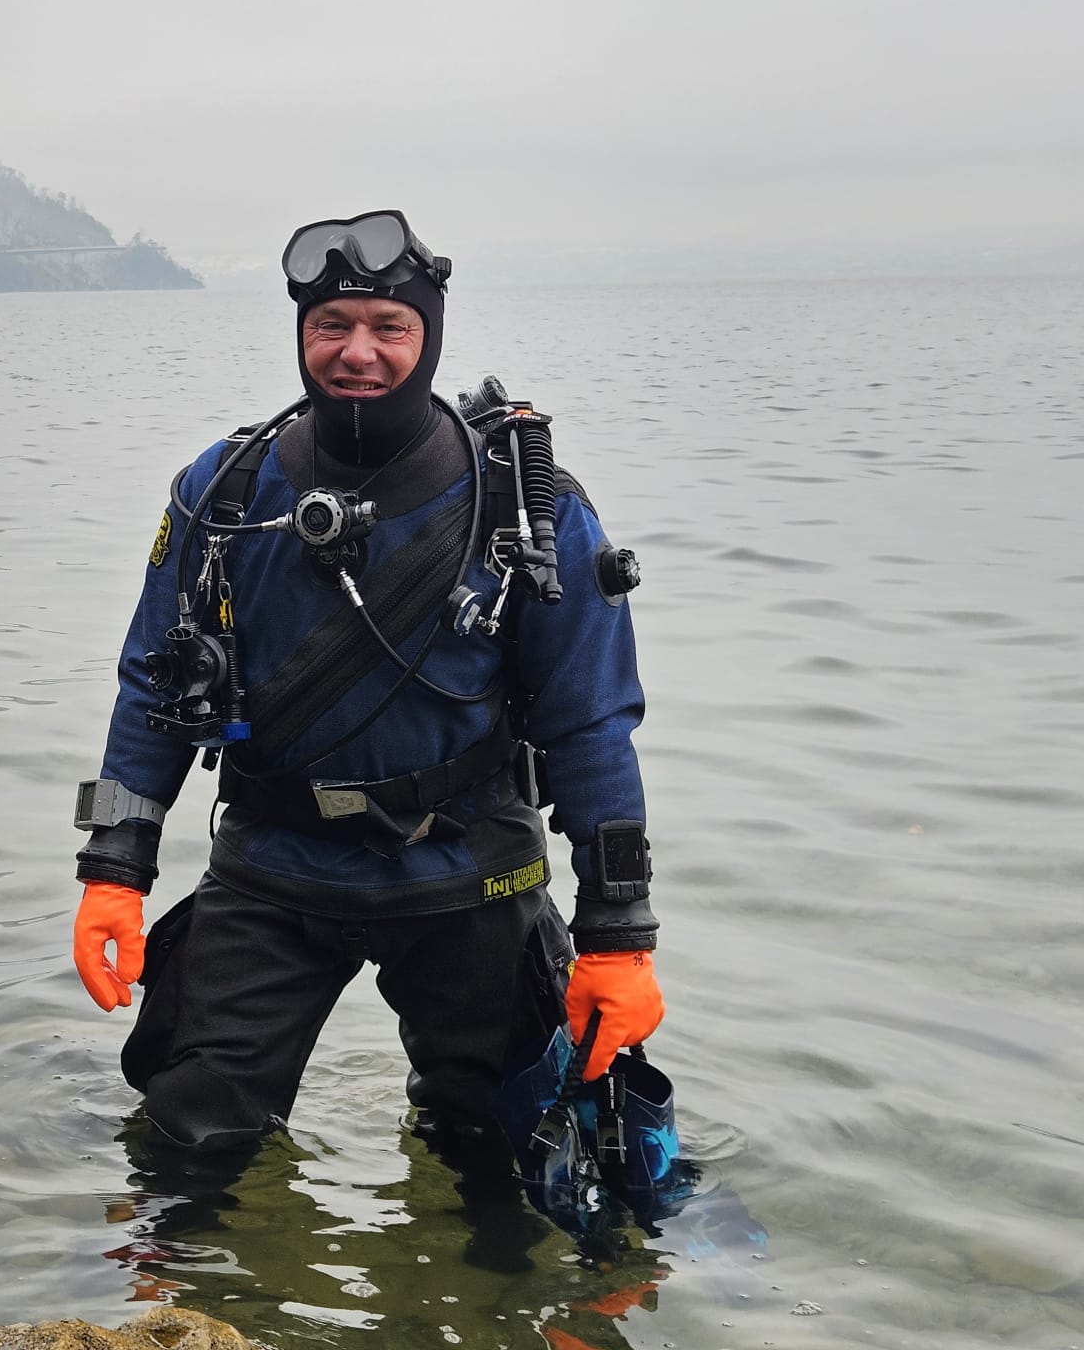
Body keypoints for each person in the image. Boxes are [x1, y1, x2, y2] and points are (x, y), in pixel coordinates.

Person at [69, 210, 663, 1164]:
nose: (357, 352)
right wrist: (113, 870)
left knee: (504, 1160)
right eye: (330, 325)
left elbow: (591, 724)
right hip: (272, 866)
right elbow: (153, 682)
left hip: (469, 871)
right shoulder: (224, 490)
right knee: (186, 1149)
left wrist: (619, 937)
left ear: (430, 336)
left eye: (390, 326)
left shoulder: (523, 505)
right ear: (300, 333)